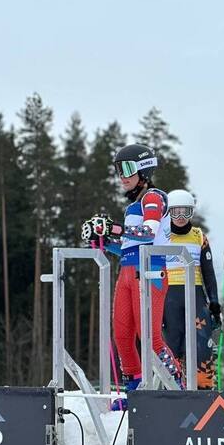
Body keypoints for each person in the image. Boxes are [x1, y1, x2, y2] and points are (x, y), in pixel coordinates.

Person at [80, 144, 183, 409]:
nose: (121, 176)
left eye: (126, 169)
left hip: (149, 272)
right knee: (123, 335)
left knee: (149, 336)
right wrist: (102, 240)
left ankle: (176, 387)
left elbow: (148, 233)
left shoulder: (154, 197)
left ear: (143, 170)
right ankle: (134, 391)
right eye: (117, 170)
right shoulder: (132, 208)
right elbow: (127, 246)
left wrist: (111, 227)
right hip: (127, 271)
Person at [163, 189, 220, 390]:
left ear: (192, 213)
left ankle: (204, 385)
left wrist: (214, 302)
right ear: (167, 212)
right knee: (172, 341)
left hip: (194, 293)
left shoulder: (198, 236)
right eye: (175, 212)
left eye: (185, 212)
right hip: (169, 296)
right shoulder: (163, 236)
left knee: (201, 341)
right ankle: (171, 384)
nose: (180, 218)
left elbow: (209, 272)